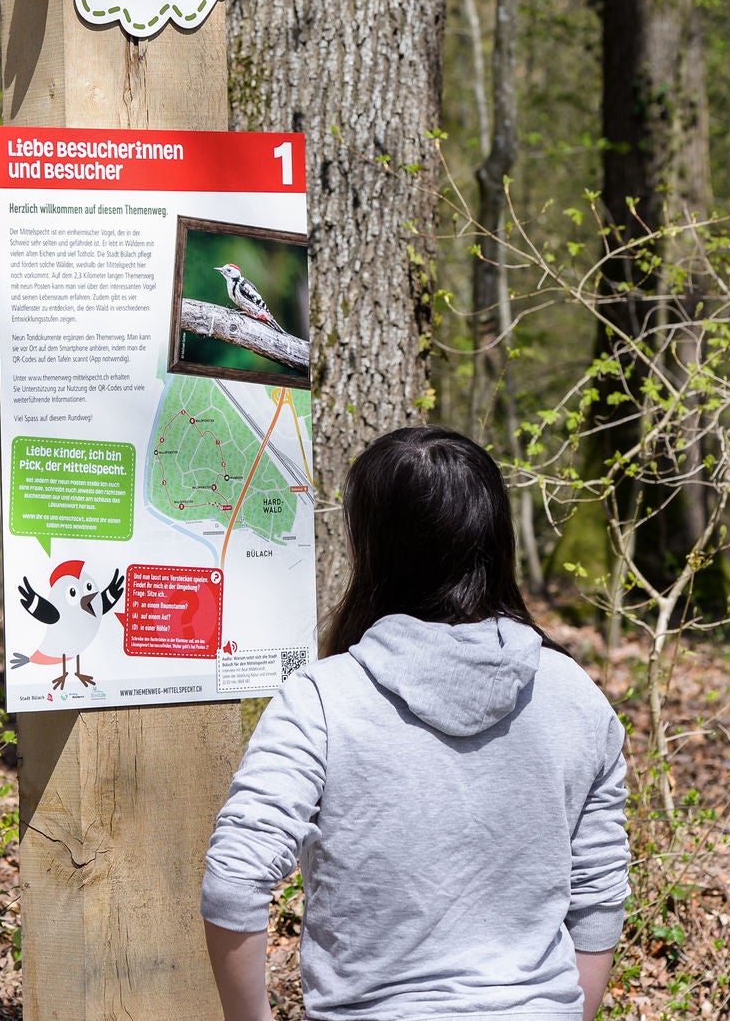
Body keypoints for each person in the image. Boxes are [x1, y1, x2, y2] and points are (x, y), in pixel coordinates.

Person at [202, 426, 631, 1021]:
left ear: (367, 548)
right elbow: (599, 897)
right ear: (497, 541)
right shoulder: (577, 697)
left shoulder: (322, 701)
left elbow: (233, 882)